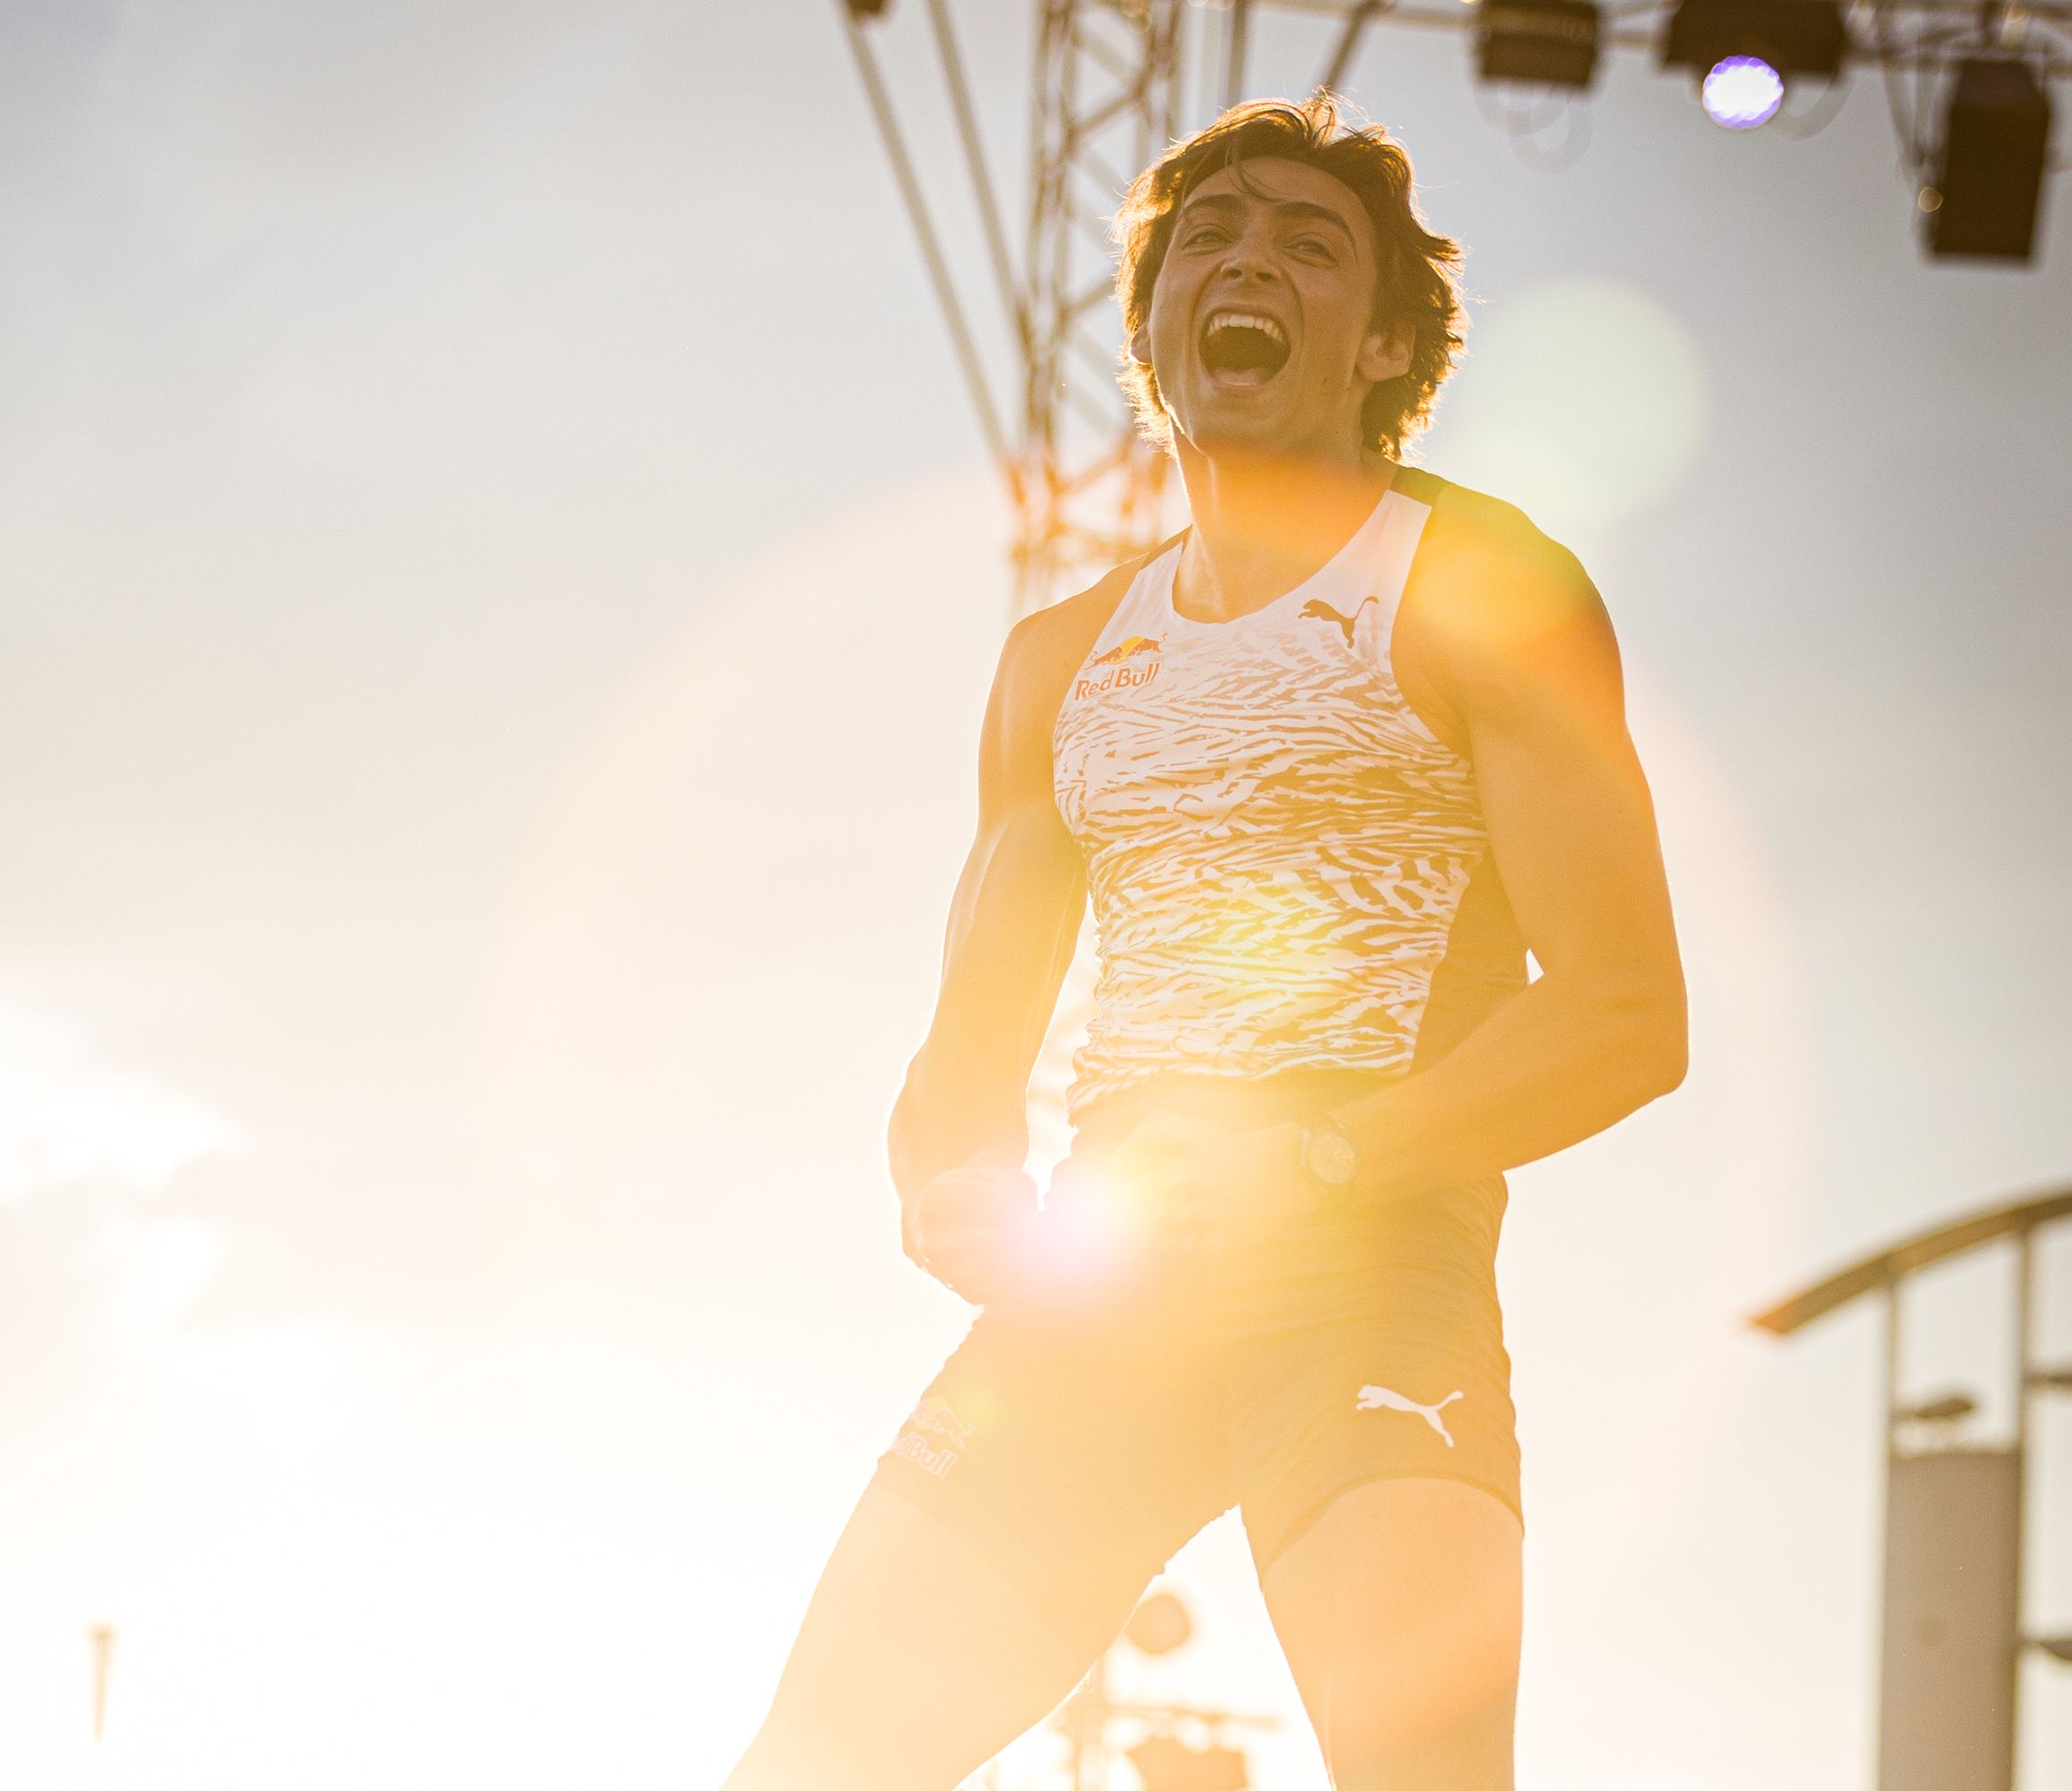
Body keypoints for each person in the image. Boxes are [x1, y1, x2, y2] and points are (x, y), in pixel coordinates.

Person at [721, 95, 1687, 1791]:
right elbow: (968, 1046)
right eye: (1212, 239)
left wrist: (1325, 1155)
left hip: (1371, 1261)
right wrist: (953, 1182)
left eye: (1310, 247)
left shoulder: (1480, 582)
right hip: (1113, 1276)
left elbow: (1624, 1010)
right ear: (1157, 321)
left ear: (1386, 339)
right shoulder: (1063, 657)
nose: (1250, 261)